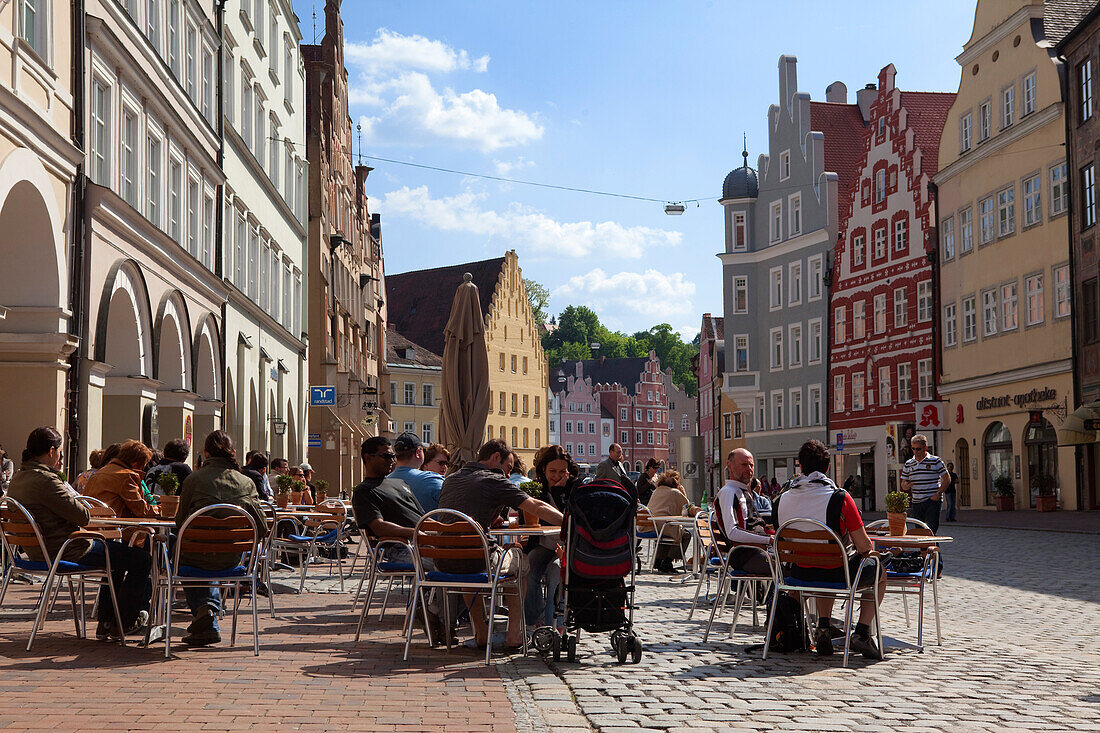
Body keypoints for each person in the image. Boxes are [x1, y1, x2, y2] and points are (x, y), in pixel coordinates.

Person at [7, 427, 152, 640]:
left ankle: (108, 622)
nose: (61, 457)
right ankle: (125, 622)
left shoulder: (19, 478)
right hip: (67, 549)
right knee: (140, 559)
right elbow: (82, 516)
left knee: (118, 556)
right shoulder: (47, 481)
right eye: (60, 452)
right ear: (51, 451)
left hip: (35, 551)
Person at [437, 439, 563, 649]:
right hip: (478, 561)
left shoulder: (451, 479)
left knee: (468, 564)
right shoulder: (493, 480)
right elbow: (536, 506)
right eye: (508, 468)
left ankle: (482, 633)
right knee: (520, 558)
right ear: (496, 457)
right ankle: (514, 635)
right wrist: (570, 522)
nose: (507, 475)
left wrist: (487, 518)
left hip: (443, 561)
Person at [773, 440, 885, 659]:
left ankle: (823, 626)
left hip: (798, 575)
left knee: (825, 562)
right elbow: (864, 547)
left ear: (800, 467)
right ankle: (861, 632)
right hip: (835, 573)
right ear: (827, 467)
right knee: (877, 570)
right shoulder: (840, 498)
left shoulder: (781, 500)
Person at [351, 437, 451, 644]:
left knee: (472, 560)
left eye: (393, 456)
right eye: (386, 456)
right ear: (368, 458)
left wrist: (442, 531)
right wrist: (416, 533)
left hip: (423, 542)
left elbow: (422, 516)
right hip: (400, 547)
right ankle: (437, 616)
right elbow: (378, 526)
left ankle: (435, 613)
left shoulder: (400, 483)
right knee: (453, 563)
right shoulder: (364, 491)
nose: (392, 460)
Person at [173, 430, 268, 647]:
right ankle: (207, 616)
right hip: (231, 560)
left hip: (193, 557)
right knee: (211, 553)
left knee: (187, 550)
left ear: (205, 454)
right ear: (233, 453)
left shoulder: (193, 480)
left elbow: (180, 523)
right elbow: (261, 527)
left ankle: (206, 610)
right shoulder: (246, 483)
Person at [524, 445, 576, 629]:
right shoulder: (536, 490)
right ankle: (532, 621)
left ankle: (553, 624)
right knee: (529, 567)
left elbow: (569, 520)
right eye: (552, 471)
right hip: (544, 545)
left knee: (556, 571)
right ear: (543, 469)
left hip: (569, 547)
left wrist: (558, 492)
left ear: (568, 471)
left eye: (562, 471)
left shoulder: (574, 489)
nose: (556, 475)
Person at [713, 449, 771, 576]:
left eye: (751, 465)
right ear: (729, 466)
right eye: (744, 465)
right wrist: (768, 540)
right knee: (792, 570)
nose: (749, 469)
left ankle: (770, 595)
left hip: (755, 551)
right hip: (747, 555)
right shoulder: (729, 492)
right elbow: (732, 532)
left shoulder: (741, 491)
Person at [85, 440, 161, 523]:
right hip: (117, 527)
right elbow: (142, 510)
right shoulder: (126, 476)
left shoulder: (100, 472)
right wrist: (164, 509)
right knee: (165, 536)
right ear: (135, 464)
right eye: (143, 465)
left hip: (93, 525)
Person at [646, 471, 697, 573]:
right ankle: (667, 561)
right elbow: (687, 507)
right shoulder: (675, 492)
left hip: (650, 525)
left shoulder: (657, 491)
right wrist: (682, 492)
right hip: (664, 525)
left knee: (667, 533)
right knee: (685, 534)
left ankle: (658, 560)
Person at [900, 433, 949, 534]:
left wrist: (938, 494)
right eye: (913, 449)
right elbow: (903, 484)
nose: (916, 451)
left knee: (930, 531)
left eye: (918, 449)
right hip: (917, 502)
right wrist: (906, 486)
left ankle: (930, 549)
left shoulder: (936, 461)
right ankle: (929, 550)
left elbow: (947, 479)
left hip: (932, 501)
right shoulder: (908, 463)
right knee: (920, 531)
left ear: (925, 447)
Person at [387, 432, 444, 512]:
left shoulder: (385, 482)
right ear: (418, 452)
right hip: (428, 524)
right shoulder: (431, 480)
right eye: (423, 450)